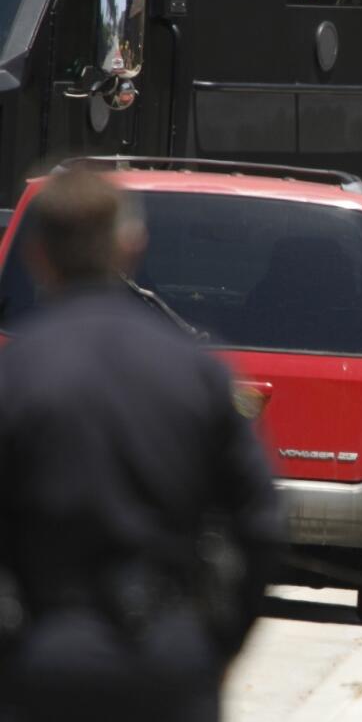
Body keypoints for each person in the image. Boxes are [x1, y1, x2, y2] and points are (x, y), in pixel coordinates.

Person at [0, 169, 283, 721]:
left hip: (46, 660)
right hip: (164, 658)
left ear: (38, 255)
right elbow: (261, 525)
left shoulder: (15, 376)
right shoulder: (197, 373)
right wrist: (217, 642)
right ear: (132, 248)